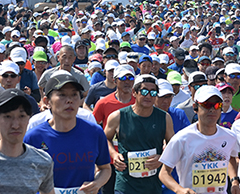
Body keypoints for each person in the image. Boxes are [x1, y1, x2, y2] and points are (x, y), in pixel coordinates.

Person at [25, 73, 112, 192]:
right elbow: (23, 177)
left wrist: (97, 183)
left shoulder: (95, 132)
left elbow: (105, 169)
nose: (70, 100)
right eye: (62, 95)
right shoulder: (33, 137)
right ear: (47, 101)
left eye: (74, 95)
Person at [159, 85, 240, 194]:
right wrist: (180, 190)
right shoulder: (182, 138)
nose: (212, 109)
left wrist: (234, 181)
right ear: (195, 107)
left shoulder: (230, 136)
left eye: (217, 105)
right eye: (207, 105)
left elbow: (231, 157)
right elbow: (164, 173)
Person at [104, 74, 175, 194]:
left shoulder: (164, 118)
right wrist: (114, 154)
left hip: (153, 185)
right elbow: (104, 139)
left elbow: (173, 146)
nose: (148, 96)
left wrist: (162, 159)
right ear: (134, 92)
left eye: (153, 93)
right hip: (125, 184)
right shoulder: (118, 116)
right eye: (144, 91)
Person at [93, 65, 137, 194]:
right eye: (123, 78)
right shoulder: (104, 103)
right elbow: (94, 128)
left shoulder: (140, 101)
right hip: (110, 161)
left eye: (130, 77)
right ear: (115, 80)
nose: (127, 81)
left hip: (135, 158)